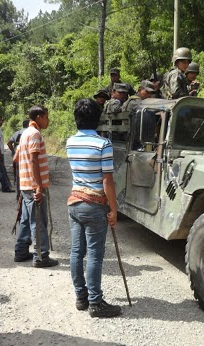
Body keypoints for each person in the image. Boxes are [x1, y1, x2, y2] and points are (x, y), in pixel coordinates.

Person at [66, 98, 121, 318]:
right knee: (95, 255)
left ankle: (81, 298)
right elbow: (107, 180)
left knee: (76, 253)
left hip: (74, 202)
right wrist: (114, 210)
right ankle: (96, 303)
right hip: (94, 204)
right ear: (97, 119)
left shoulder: (70, 142)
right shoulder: (103, 144)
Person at [14, 106, 59, 268]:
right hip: (34, 186)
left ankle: (21, 252)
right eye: (46, 117)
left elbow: (16, 158)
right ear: (39, 117)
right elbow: (33, 160)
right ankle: (41, 257)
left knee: (27, 220)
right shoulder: (34, 134)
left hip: (26, 185)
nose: (48, 120)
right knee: (38, 222)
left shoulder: (25, 133)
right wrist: (39, 187)